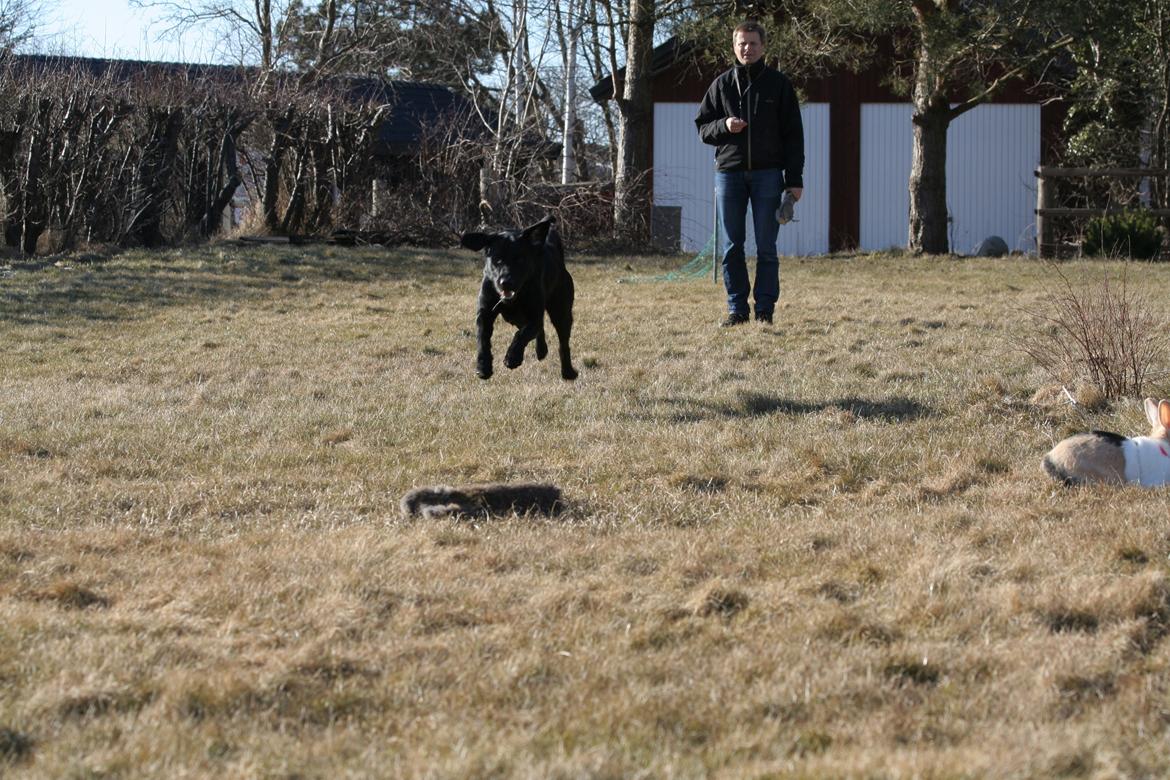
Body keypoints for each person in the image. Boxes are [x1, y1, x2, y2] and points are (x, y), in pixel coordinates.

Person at [695, 20, 804, 327]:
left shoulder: (779, 85)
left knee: (767, 247)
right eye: (742, 43)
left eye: (753, 43)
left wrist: (794, 180)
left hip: (769, 175)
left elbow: (794, 136)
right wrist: (723, 126)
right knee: (732, 247)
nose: (747, 48)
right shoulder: (721, 85)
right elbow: (702, 128)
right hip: (728, 175)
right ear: (734, 46)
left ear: (763, 46)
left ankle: (765, 310)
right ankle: (737, 309)